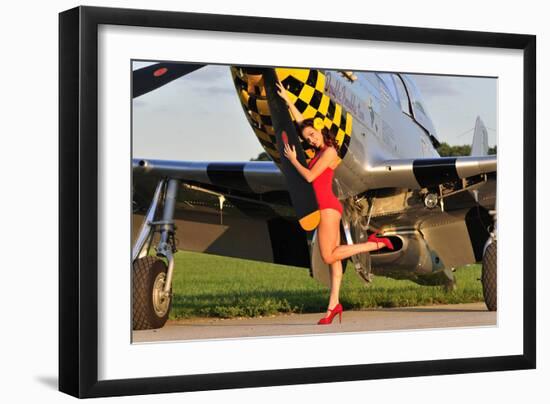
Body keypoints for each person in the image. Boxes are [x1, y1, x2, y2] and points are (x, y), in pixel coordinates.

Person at [276, 79, 394, 325]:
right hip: (325, 207)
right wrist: (288, 101)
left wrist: (292, 158)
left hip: (328, 207)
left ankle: (374, 246)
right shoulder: (318, 147)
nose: (310, 140)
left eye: (312, 135)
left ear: (321, 129)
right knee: (335, 263)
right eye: (307, 139)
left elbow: (309, 176)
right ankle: (333, 306)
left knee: (329, 257)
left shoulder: (330, 151)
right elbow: (303, 124)